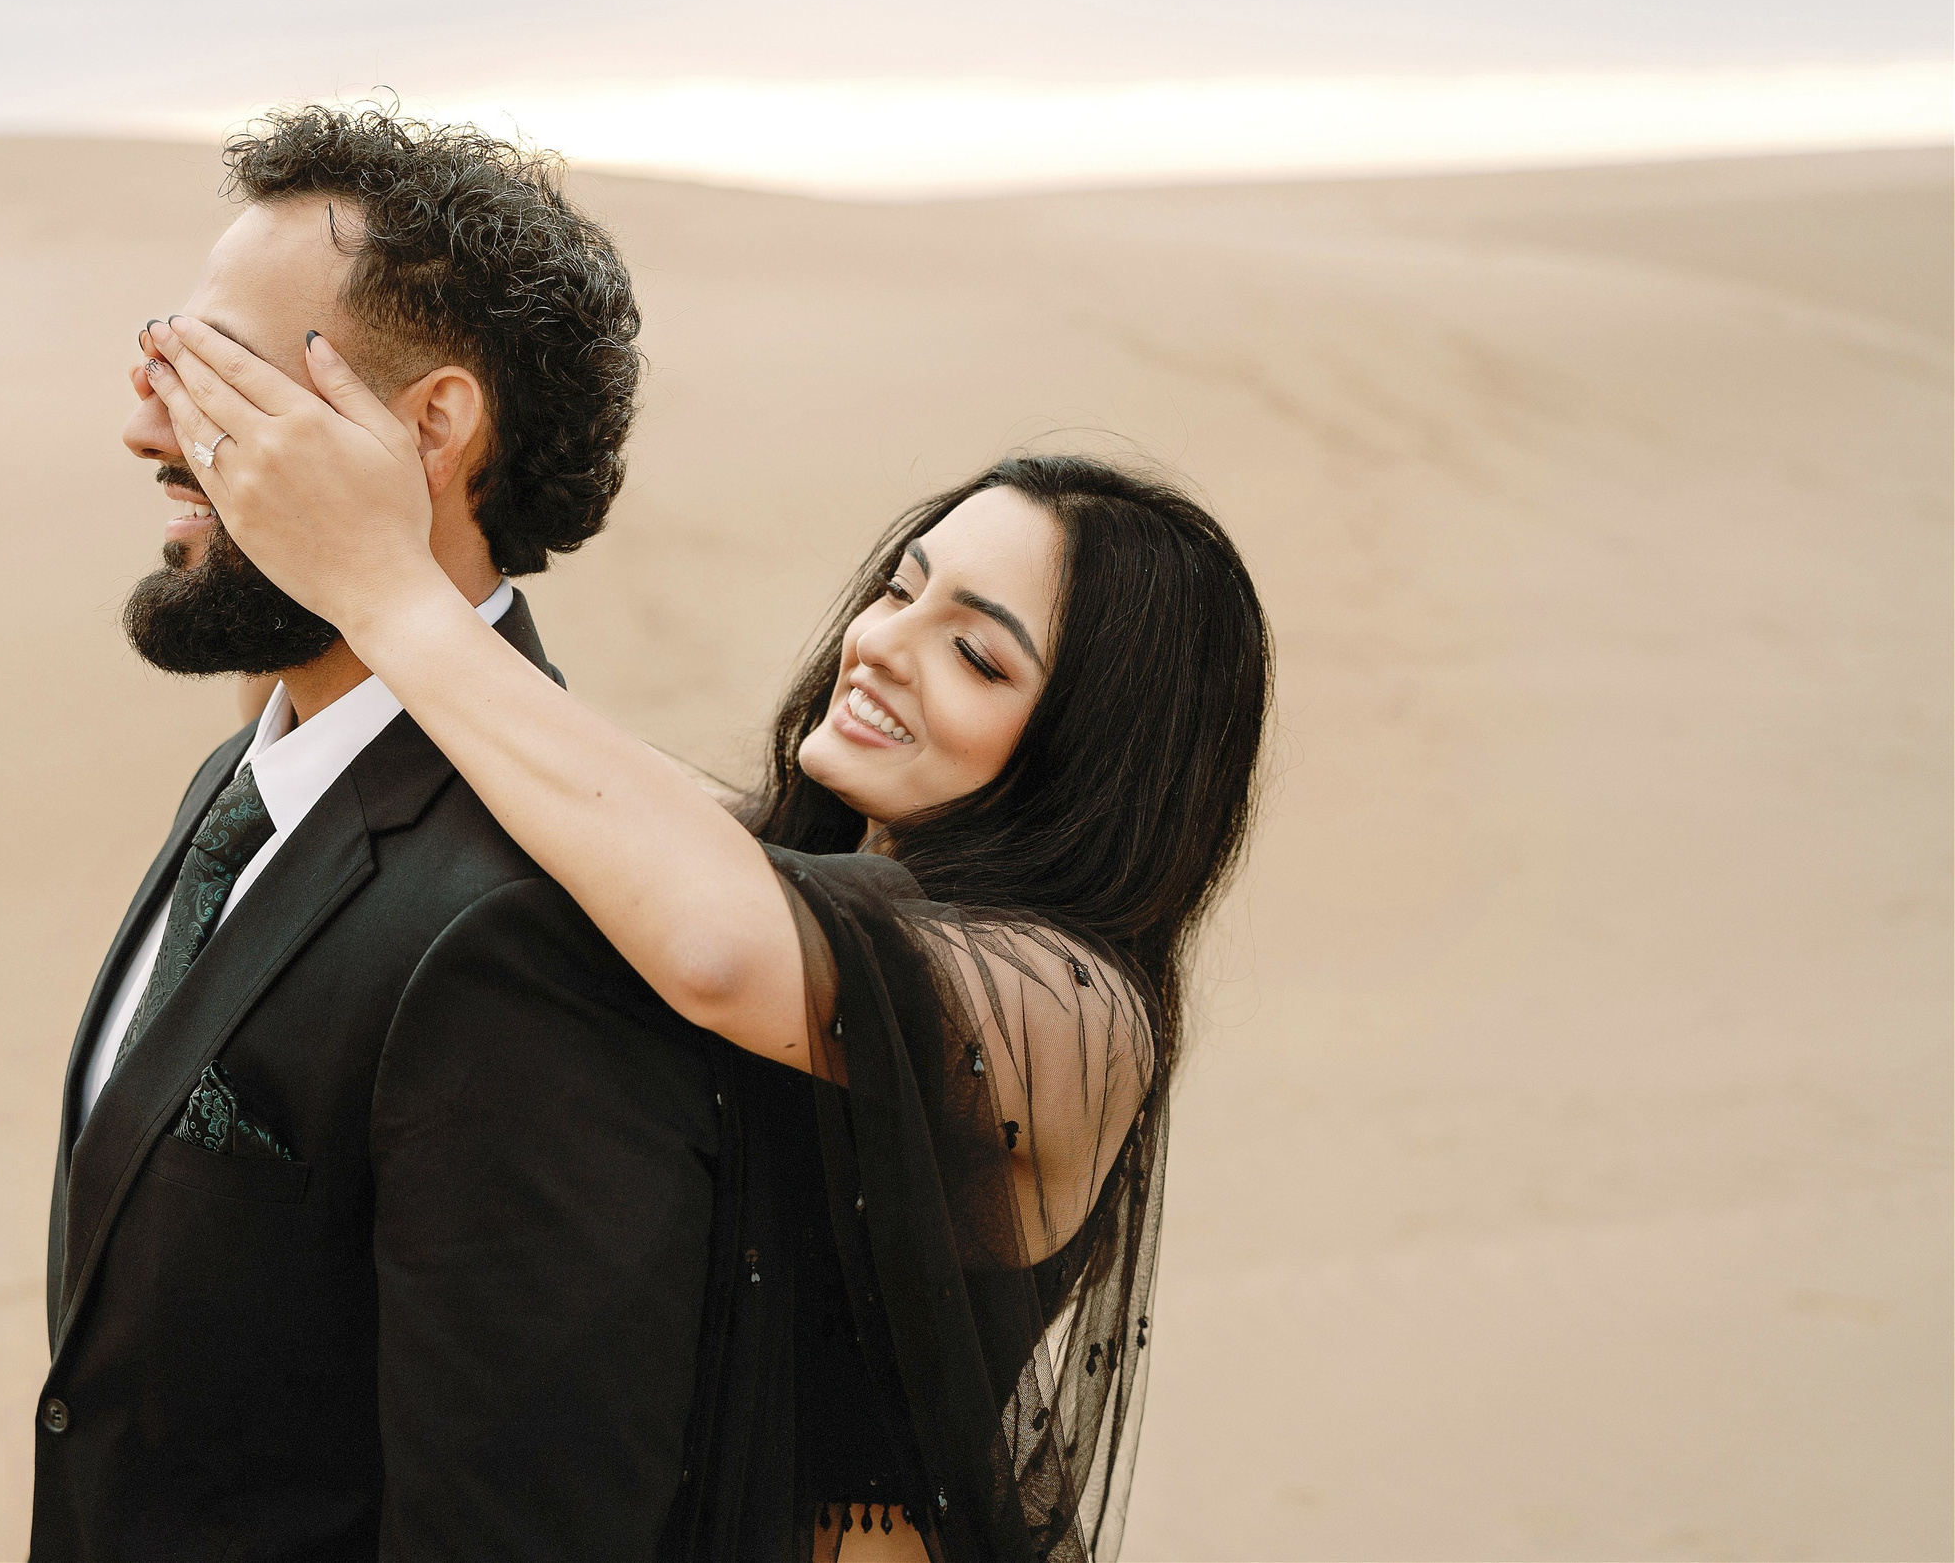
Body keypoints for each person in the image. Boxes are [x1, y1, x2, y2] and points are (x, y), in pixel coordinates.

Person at [138, 314, 1274, 1560]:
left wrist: (382, 582)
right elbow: (541, 771)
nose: (883, 644)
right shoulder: (757, 874)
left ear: (1091, 758)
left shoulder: (1074, 1009)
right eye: (901, 586)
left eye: (975, 654)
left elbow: (716, 950)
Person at [34, 108, 721, 1561]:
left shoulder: (527, 920)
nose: (145, 422)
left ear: (432, 428)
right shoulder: (250, 780)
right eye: (160, 353)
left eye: (212, 368)